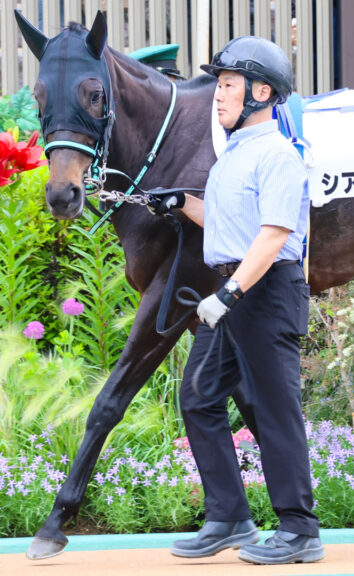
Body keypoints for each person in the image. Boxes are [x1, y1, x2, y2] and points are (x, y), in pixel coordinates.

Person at [148, 36, 322, 566]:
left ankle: (300, 531)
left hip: (264, 293)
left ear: (261, 92)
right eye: (219, 84)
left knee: (275, 412)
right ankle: (229, 517)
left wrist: (228, 293)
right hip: (233, 294)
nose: (217, 95)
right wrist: (181, 204)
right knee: (199, 397)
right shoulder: (235, 155)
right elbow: (229, 226)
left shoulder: (278, 156)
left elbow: (272, 236)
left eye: (226, 85)